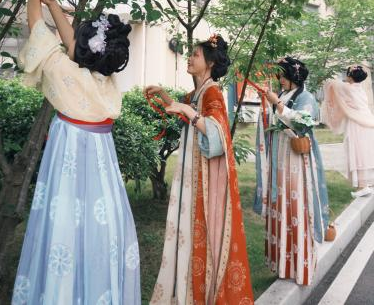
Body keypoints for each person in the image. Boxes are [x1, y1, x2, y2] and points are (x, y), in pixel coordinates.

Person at [12, 0, 141, 305]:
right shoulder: (105, 80)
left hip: (69, 174)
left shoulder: (64, 75)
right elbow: (75, 46)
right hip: (102, 179)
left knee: (65, 233)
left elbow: (37, 29)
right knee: (97, 238)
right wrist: (55, 4)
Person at [146, 34, 253, 305]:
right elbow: (181, 109)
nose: (190, 58)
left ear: (210, 62)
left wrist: (188, 111)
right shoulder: (198, 92)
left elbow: (217, 136)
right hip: (191, 173)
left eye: (195, 55)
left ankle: (200, 294)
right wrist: (164, 95)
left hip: (203, 178)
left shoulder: (213, 92)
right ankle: (188, 292)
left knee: (199, 231)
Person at [254, 56, 329, 286]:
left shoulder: (306, 97)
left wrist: (276, 103)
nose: (281, 79)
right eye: (280, 75)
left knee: (296, 208)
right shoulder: (284, 94)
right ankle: (283, 266)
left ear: (294, 76)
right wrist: (269, 105)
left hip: (296, 162)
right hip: (279, 158)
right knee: (281, 206)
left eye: (283, 75)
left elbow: (303, 122)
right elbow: (274, 120)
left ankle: (300, 267)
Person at [323, 64, 374, 197]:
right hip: (367, 123)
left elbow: (330, 83)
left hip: (356, 125)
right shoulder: (360, 89)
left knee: (357, 153)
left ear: (350, 76)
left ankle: (362, 186)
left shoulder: (348, 88)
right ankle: (365, 185)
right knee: (364, 153)